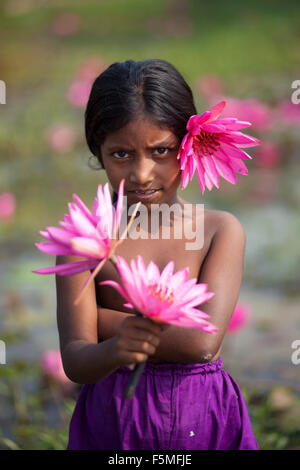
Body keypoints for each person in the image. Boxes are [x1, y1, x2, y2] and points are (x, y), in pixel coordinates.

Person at [56, 59, 259, 450]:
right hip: (114, 424)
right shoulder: (83, 241)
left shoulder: (219, 230)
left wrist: (100, 321)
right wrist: (115, 348)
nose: (142, 173)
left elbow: (202, 344)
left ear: (188, 142)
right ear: (98, 151)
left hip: (203, 418)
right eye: (121, 154)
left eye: (160, 150)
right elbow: (76, 361)